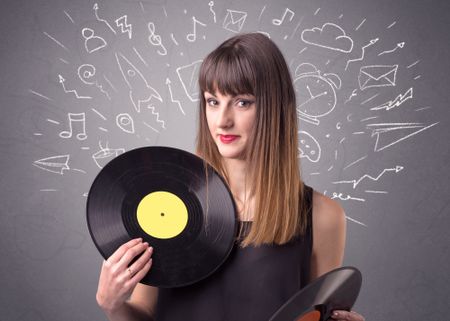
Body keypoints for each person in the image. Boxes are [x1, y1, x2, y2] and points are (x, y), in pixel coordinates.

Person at [96, 33, 365, 321]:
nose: (222, 120)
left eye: (242, 102)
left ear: (275, 108)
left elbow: (315, 316)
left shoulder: (323, 217)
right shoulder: (167, 202)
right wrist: (113, 305)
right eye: (213, 101)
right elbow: (144, 314)